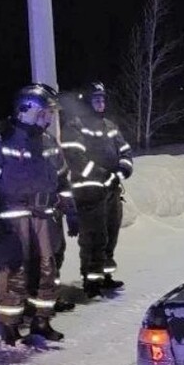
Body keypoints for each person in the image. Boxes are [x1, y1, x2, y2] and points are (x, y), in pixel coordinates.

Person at [0, 84, 75, 345]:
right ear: (25, 110)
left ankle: (42, 320)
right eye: (44, 112)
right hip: (12, 219)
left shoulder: (49, 143)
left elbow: (63, 180)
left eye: (50, 113)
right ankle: (10, 326)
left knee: (47, 270)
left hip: (45, 218)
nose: (48, 118)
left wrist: (71, 212)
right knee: (13, 271)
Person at [61, 81, 133, 297]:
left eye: (103, 99)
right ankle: (91, 281)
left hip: (111, 190)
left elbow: (125, 151)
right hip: (89, 191)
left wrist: (122, 170)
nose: (101, 103)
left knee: (111, 235)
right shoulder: (75, 125)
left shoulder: (109, 126)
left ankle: (106, 276)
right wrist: (102, 174)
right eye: (96, 99)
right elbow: (75, 158)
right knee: (94, 237)